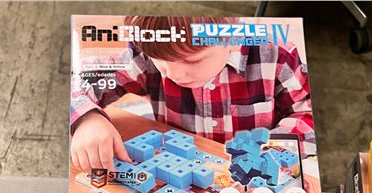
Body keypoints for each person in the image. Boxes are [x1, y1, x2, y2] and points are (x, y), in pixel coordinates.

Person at [70, 16, 315, 174]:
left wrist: (271, 153)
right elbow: (78, 80)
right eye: (160, 60)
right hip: (181, 170)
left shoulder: (277, 56)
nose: (173, 73)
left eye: (192, 60)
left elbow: (308, 114)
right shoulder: (146, 56)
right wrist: (88, 118)